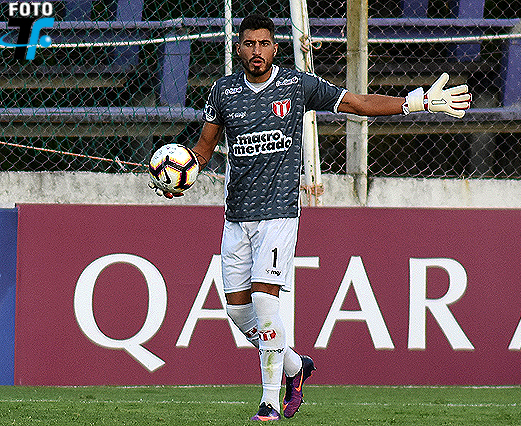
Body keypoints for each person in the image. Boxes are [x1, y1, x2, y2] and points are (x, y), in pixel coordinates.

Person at [150, 13, 471, 421]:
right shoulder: (223, 92)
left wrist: (417, 102)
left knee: (265, 302)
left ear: (275, 48)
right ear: (238, 48)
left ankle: (269, 403)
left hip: (279, 214)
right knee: (238, 311)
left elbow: (355, 103)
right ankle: (294, 367)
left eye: (263, 43)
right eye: (249, 44)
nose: (256, 51)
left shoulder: (296, 85)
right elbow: (203, 150)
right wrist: (179, 173)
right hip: (237, 217)